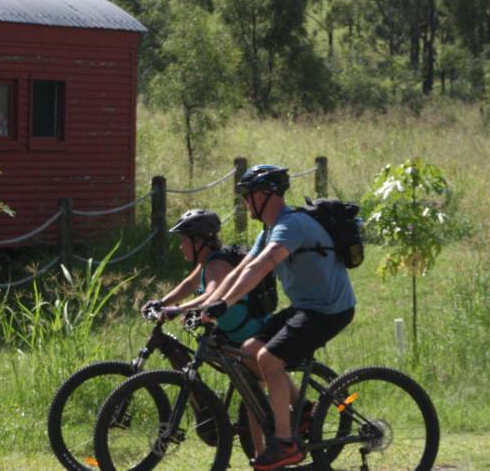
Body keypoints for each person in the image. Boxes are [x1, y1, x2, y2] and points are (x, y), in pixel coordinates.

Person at [196, 165, 356, 470]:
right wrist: (213, 303)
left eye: (247, 196)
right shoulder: (269, 230)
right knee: (249, 351)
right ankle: (304, 411)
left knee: (269, 359)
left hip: (329, 310)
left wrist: (225, 303)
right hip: (306, 307)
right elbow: (245, 268)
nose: (245, 202)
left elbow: (264, 265)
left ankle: (285, 444)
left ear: (262, 195)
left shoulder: (291, 225)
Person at [141, 209, 266, 346]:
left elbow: (211, 295)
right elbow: (189, 284)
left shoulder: (216, 265)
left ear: (198, 242)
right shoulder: (207, 261)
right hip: (234, 333)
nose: (180, 247)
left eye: (184, 240)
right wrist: (161, 303)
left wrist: (179, 309)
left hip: (251, 336)